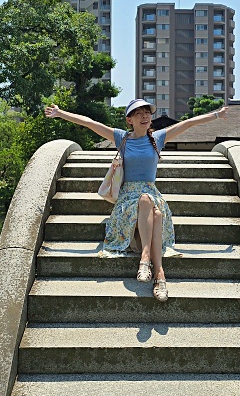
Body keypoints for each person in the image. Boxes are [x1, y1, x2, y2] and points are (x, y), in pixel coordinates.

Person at [45, 98, 228, 302]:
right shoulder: (121, 138)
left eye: (147, 113)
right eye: (139, 113)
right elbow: (89, 123)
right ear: (129, 120)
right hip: (127, 198)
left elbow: (188, 123)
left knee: (153, 208)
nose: (145, 116)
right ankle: (158, 275)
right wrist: (60, 113)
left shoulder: (157, 138)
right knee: (147, 204)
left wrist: (217, 115)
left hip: (151, 193)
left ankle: (149, 265)